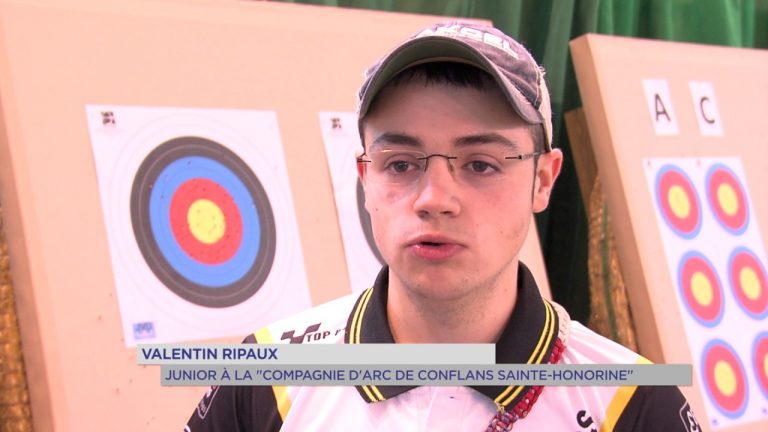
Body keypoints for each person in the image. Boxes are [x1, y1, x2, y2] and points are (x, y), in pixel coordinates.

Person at [185, 21, 698, 431]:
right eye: (401, 163)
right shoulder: (262, 379)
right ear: (365, 180)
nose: (434, 200)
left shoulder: (633, 406)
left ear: (543, 180)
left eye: (481, 164)